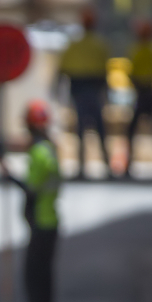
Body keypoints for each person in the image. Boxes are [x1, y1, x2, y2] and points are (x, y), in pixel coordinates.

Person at [5, 100, 60, 302]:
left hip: (42, 223)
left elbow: (32, 188)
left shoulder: (40, 152)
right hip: (47, 222)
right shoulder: (48, 149)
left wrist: (9, 177)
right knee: (42, 278)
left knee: (35, 278)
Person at [59, 9, 111, 177]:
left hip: (80, 91)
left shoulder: (75, 45)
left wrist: (58, 90)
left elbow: (63, 71)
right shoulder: (99, 45)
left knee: (82, 129)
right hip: (93, 90)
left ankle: (82, 168)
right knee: (99, 130)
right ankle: (106, 167)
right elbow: (106, 72)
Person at [126, 20, 152, 176]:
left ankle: (129, 165)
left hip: (144, 92)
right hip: (147, 92)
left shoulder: (141, 50)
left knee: (135, 131)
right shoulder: (150, 50)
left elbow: (132, 72)